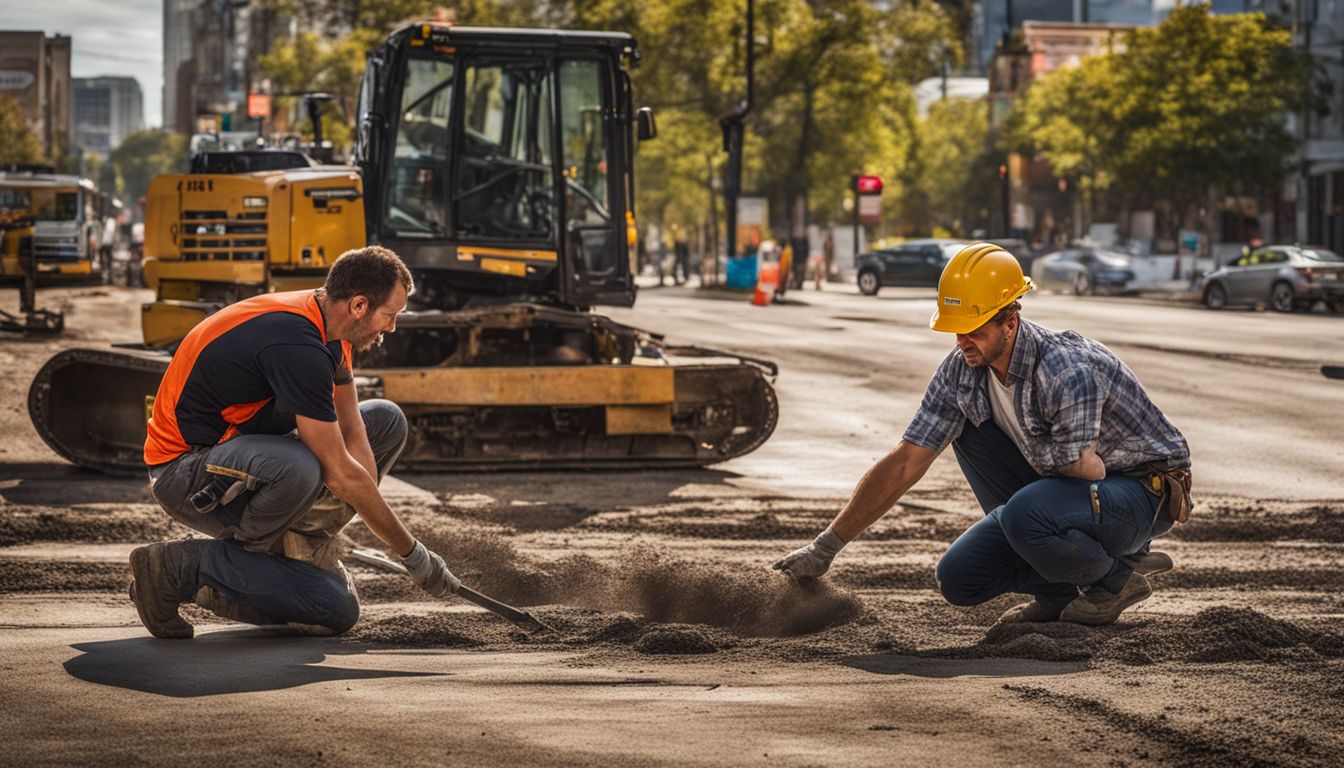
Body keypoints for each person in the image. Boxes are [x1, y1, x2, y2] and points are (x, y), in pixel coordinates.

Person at [774, 243, 1192, 625]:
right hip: (1071, 491)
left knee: (1028, 513)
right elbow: (905, 462)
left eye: (974, 330)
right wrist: (824, 548)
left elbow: (1080, 470)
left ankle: (1119, 577)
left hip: (1141, 494)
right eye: (956, 330)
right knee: (959, 578)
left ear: (1010, 323)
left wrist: (1058, 475)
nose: (962, 343)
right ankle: (1059, 596)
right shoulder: (962, 372)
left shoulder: (1065, 369)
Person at [130, 245, 460, 639]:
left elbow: (354, 430)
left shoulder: (329, 330)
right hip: (185, 472)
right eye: (391, 315)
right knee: (299, 468)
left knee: (385, 422)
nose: (391, 328)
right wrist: (413, 554)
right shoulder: (296, 343)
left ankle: (292, 541)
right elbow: (339, 473)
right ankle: (188, 566)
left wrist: (350, 508)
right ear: (358, 305)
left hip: (241, 456)